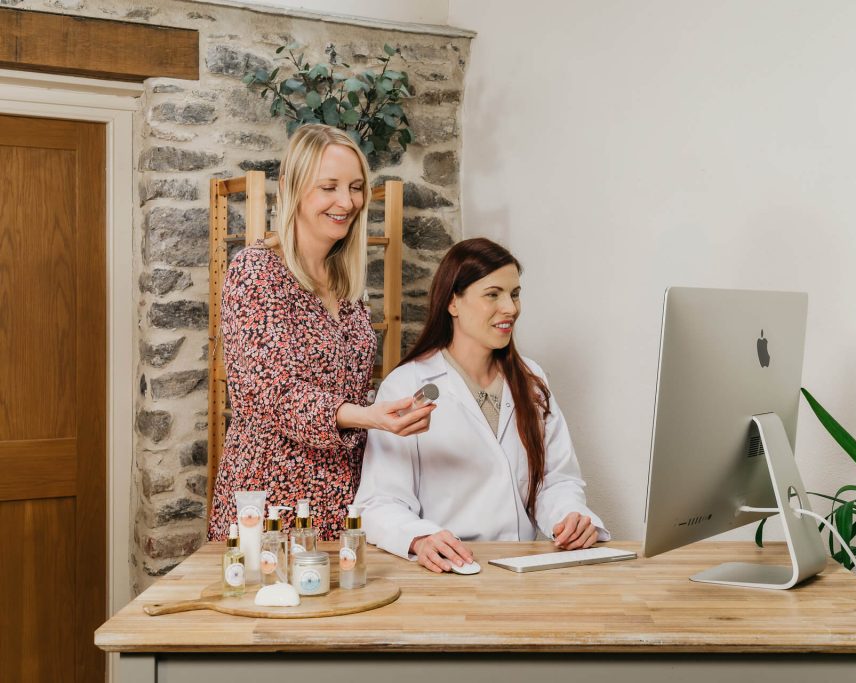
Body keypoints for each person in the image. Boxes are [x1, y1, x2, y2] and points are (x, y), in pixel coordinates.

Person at [207, 124, 435, 541]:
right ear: (291, 187)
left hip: (345, 499)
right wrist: (366, 417)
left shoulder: (344, 284)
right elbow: (269, 394)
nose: (346, 202)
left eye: (355, 187)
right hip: (275, 500)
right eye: (329, 187)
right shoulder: (256, 271)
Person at [354, 238, 609, 572]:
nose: (511, 308)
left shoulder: (531, 379)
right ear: (453, 303)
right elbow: (379, 501)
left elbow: (556, 481)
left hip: (524, 570)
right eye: (493, 294)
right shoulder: (406, 386)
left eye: (515, 294)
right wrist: (419, 538)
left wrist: (569, 517)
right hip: (450, 571)